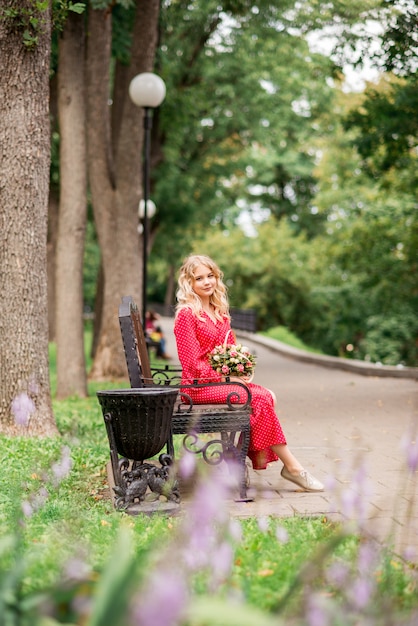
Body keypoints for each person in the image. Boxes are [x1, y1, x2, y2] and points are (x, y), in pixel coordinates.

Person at [173, 254, 324, 492]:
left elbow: (230, 348)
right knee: (260, 399)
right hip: (197, 387)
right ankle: (293, 468)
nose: (206, 282)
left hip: (220, 383)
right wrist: (226, 377)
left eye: (210, 276)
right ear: (188, 283)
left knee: (267, 396)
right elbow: (191, 364)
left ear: (217, 277)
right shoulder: (186, 315)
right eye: (199, 278)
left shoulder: (219, 311)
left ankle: (242, 461)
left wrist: (242, 369)